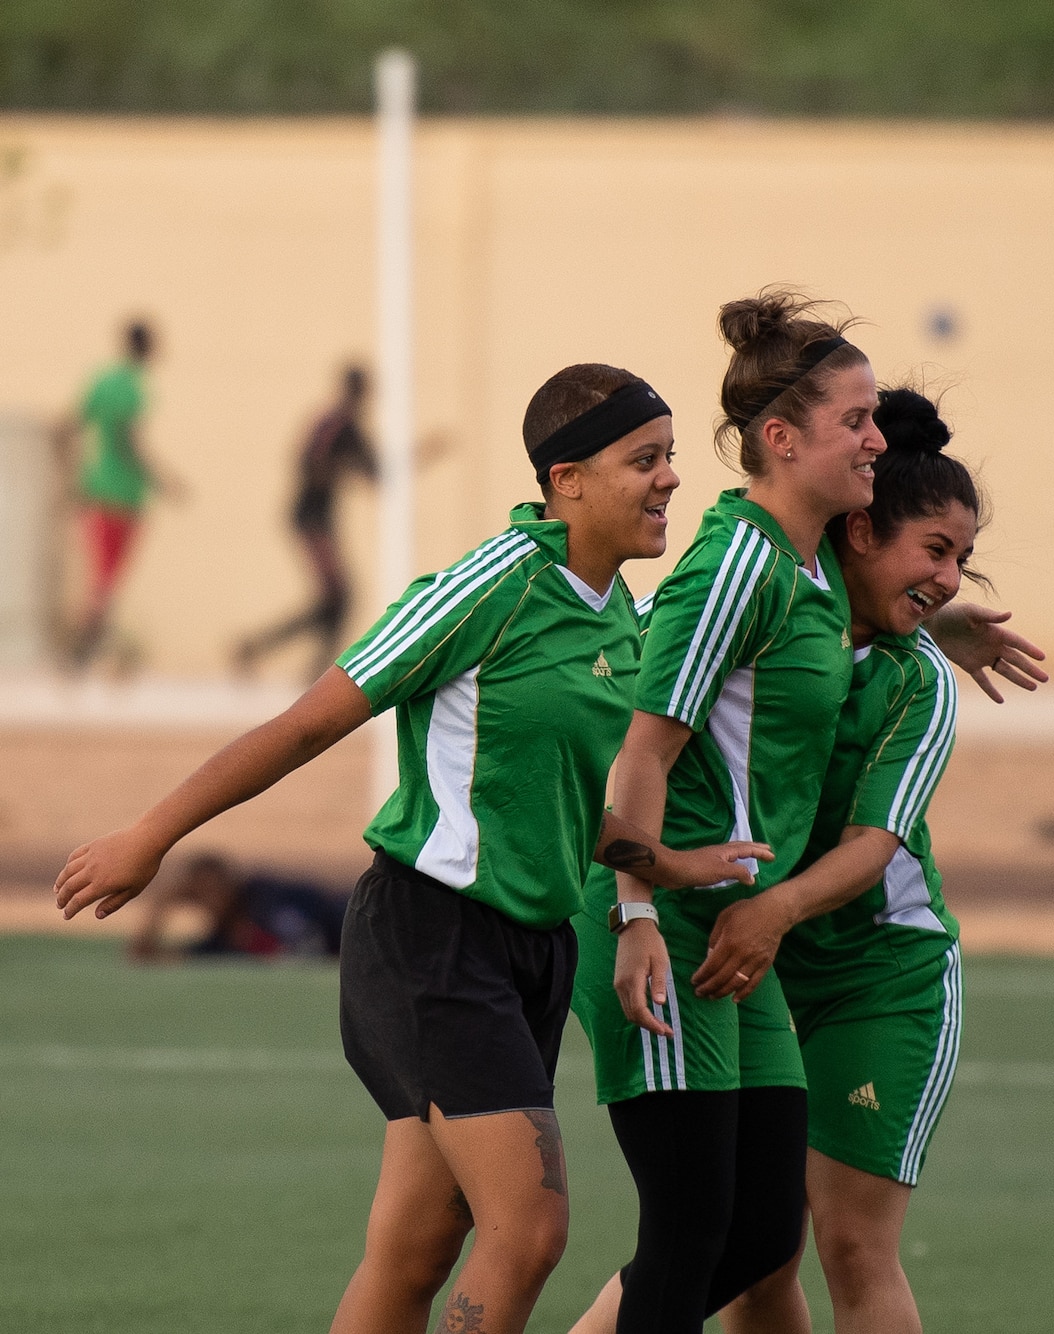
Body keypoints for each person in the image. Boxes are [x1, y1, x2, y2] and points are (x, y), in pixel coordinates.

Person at [55, 361, 774, 1334]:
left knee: (413, 1251)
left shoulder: (619, 613)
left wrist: (657, 865)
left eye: (670, 458)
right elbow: (309, 722)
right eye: (643, 459)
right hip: (431, 938)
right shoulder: (492, 585)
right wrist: (151, 833)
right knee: (528, 1228)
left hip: (533, 951)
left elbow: (546, 798)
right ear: (565, 476)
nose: (669, 480)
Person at [568, 295, 1042, 1334]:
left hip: (801, 948)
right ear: (784, 439)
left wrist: (930, 608)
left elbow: (868, 826)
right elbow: (642, 745)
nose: (875, 435)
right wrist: (636, 911)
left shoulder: (821, 587)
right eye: (856, 419)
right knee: (704, 1231)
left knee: (761, 1238)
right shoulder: (747, 562)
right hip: (681, 922)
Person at [702, 386, 981, 1334]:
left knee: (853, 1244)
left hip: (879, 977)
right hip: (766, 970)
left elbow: (872, 847)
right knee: (753, 1250)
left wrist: (772, 911)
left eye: (961, 562)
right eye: (935, 553)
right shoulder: (778, 620)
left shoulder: (919, 683)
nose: (949, 580)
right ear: (858, 533)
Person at [236, 364, 379, 676]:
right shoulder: (333, 424)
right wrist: (344, 466)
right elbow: (310, 466)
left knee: (334, 601)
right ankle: (317, 673)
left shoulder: (349, 429)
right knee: (338, 599)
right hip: (311, 517)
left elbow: (376, 473)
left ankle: (261, 648)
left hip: (320, 519)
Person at [55, 318, 180, 668]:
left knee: (104, 580)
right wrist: (164, 480)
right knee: (106, 581)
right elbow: (130, 442)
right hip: (123, 496)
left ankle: (88, 650)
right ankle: (81, 651)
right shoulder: (133, 389)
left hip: (97, 490)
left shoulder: (102, 381)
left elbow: (68, 427)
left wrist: (72, 480)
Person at [125, 852, 349, 960]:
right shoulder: (222, 939)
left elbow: (316, 933)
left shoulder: (267, 897)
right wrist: (163, 903)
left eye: (213, 889)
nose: (211, 900)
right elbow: (144, 955)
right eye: (200, 894)